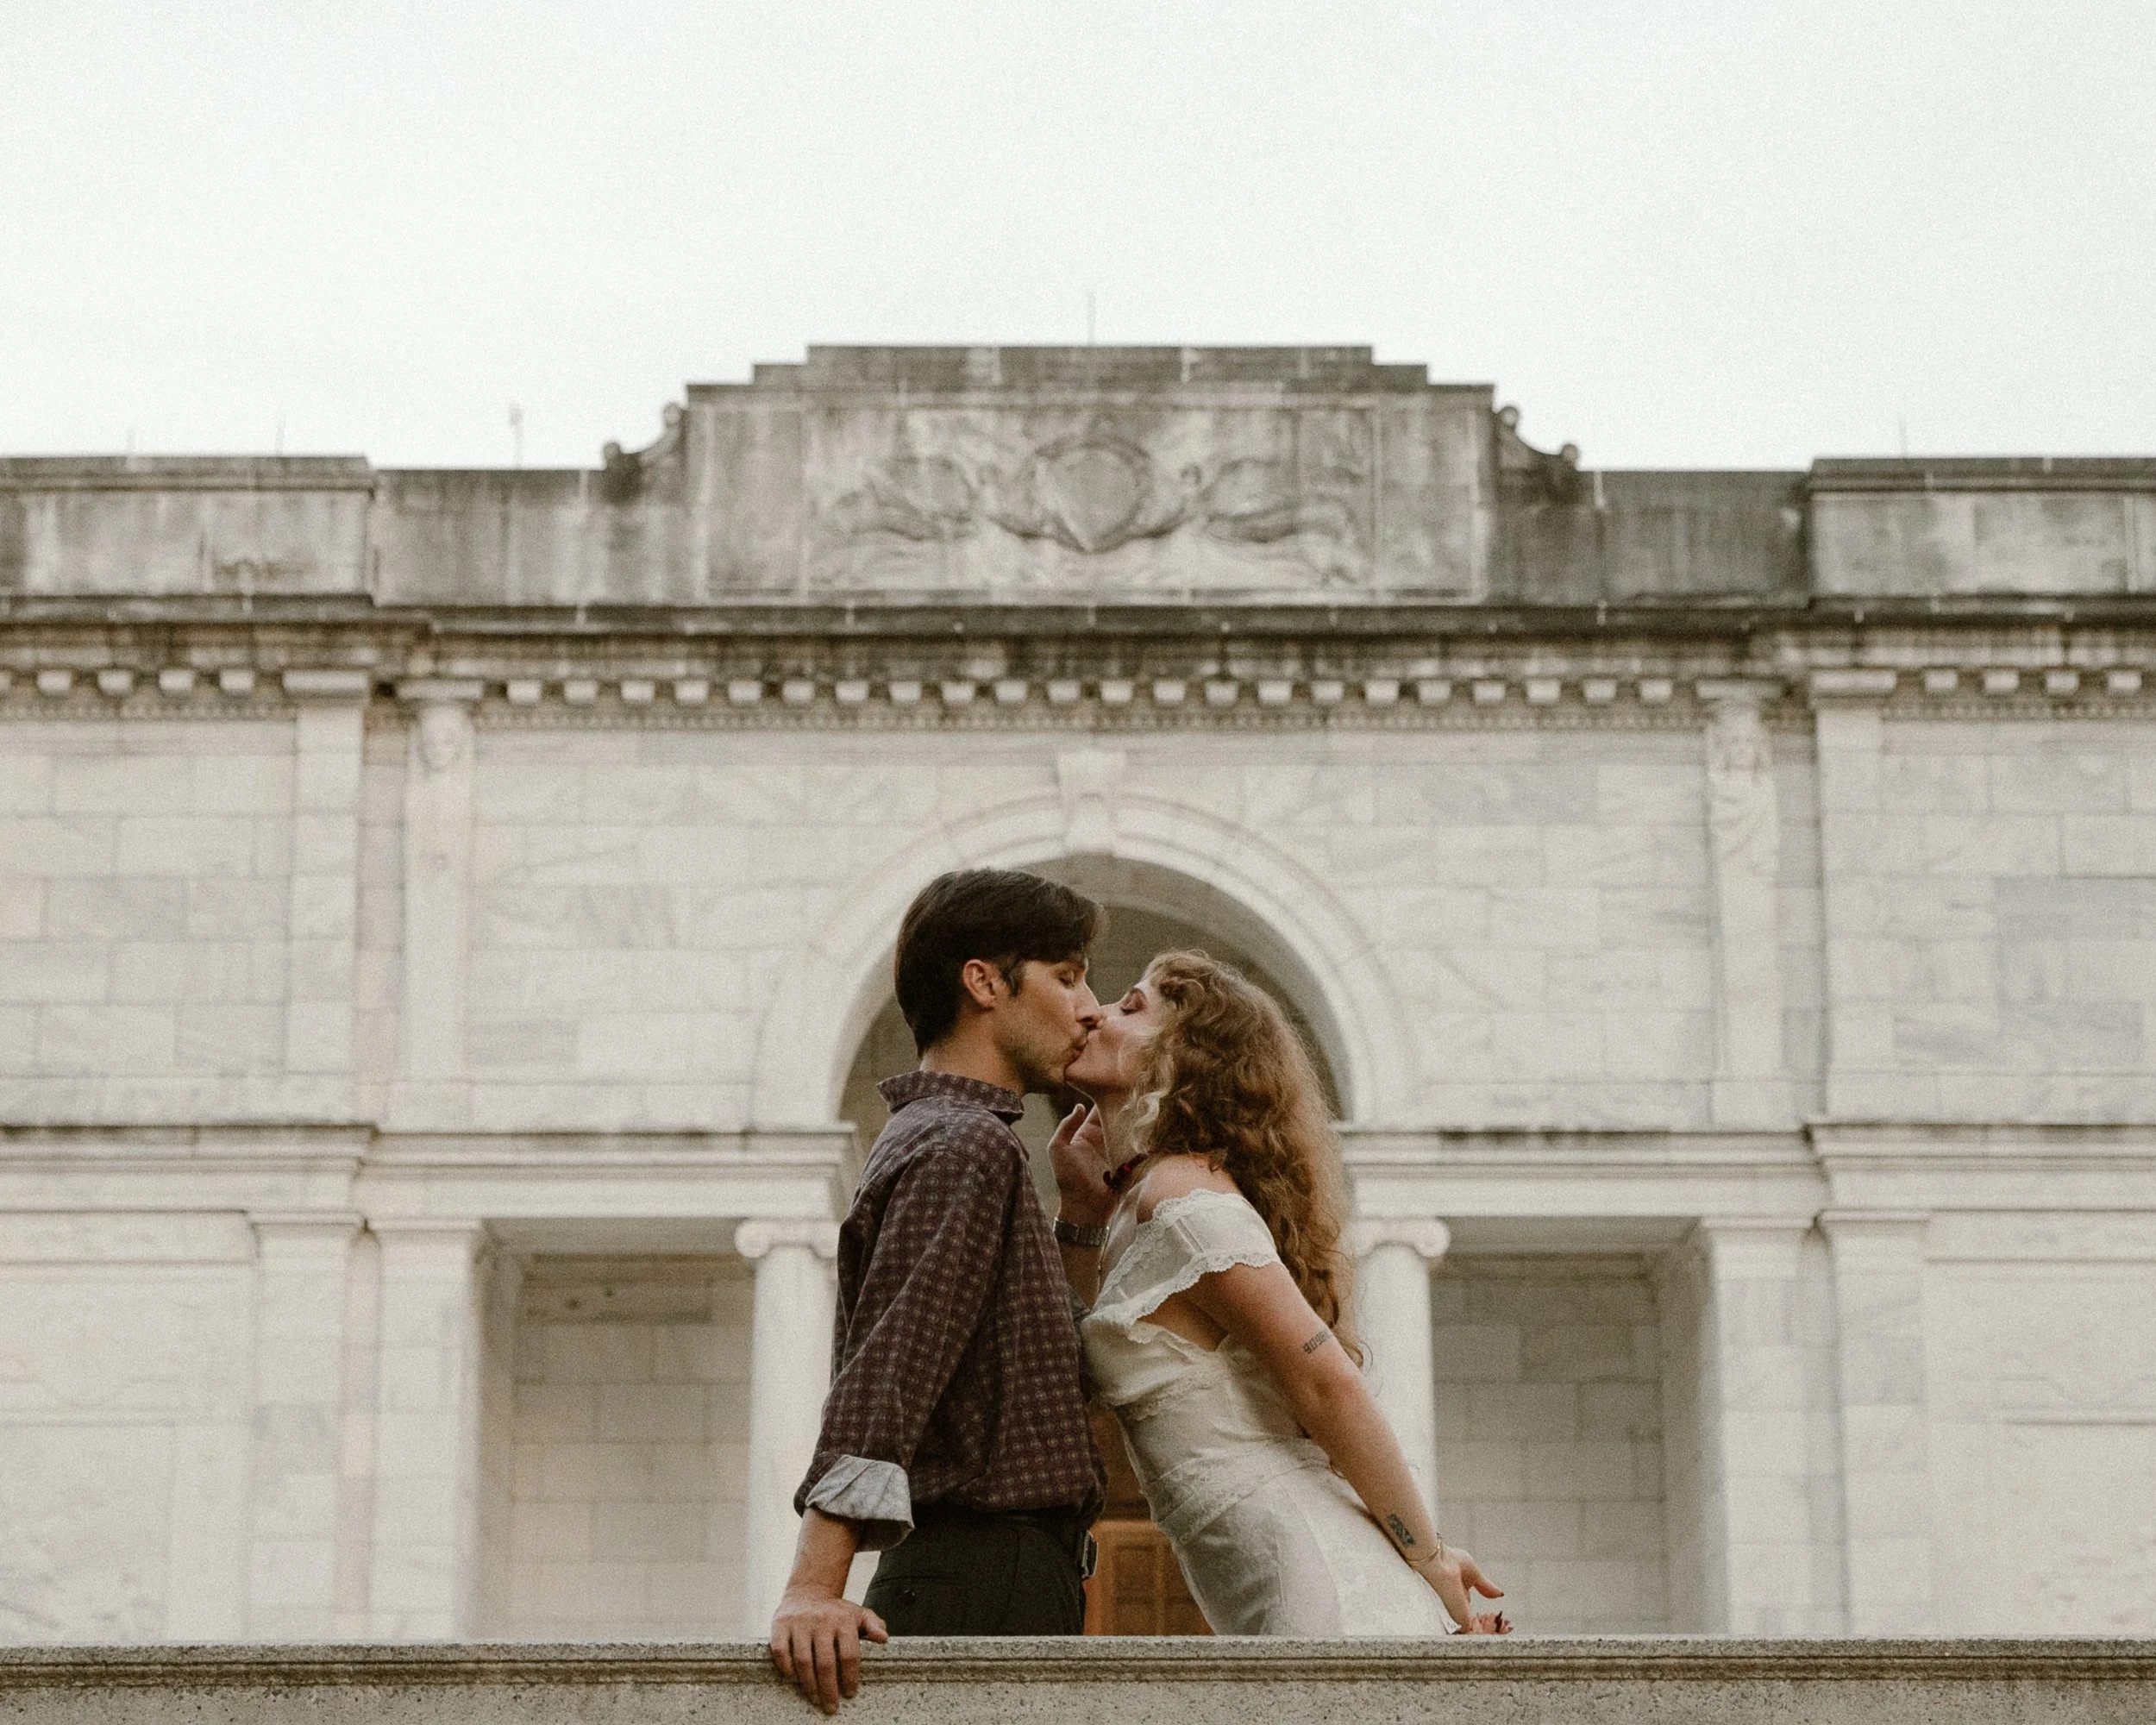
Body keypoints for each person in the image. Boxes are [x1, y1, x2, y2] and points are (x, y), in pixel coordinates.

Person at [1051, 950, 1510, 1636]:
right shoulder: (1138, 1203)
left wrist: (1433, 1559)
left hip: (1318, 1580)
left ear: (1183, 1055)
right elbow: (1071, 1367)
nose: (1095, 1012)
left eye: (1131, 1006)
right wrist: (1080, 1214)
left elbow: (1330, 1388)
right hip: (1263, 1583)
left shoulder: (1186, 1199)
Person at [768, 869, 1108, 1714]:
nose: (1089, 1005)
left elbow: (1042, 1371)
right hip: (986, 1575)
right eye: (1066, 975)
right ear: (985, 980)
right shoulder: (965, 1144)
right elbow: (894, 1363)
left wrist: (1079, 1221)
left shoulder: (946, 1136)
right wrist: (815, 1580)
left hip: (986, 1573)